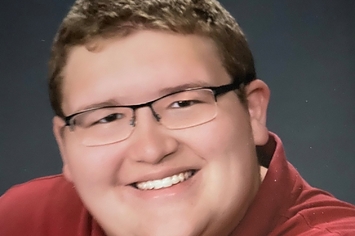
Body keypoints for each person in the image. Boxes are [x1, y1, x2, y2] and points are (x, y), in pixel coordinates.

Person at [0, 0, 354, 235]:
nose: (151, 149)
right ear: (64, 145)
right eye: (107, 118)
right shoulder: (25, 221)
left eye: (183, 103)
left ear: (252, 111)